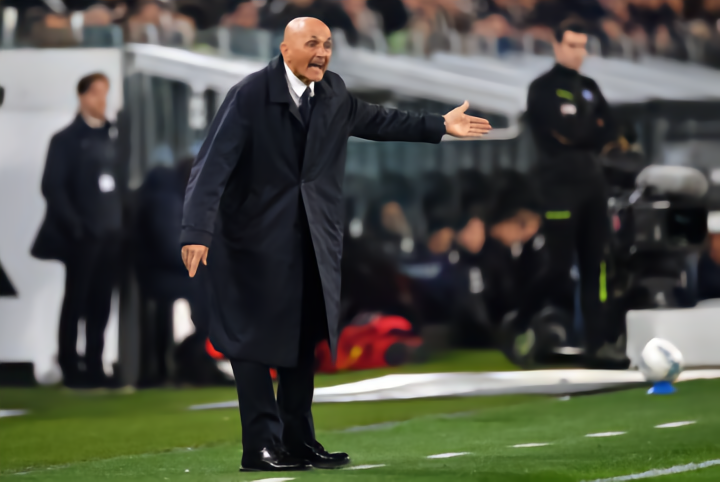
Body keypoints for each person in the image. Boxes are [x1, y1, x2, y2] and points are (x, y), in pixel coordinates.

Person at [180, 17, 490, 472]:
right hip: (253, 242)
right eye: (312, 44)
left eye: (327, 44)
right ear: (285, 49)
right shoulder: (249, 95)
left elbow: (380, 119)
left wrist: (439, 124)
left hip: (312, 239)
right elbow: (211, 166)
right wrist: (196, 231)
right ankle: (260, 446)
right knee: (252, 342)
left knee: (303, 337)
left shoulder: (333, 93)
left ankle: (298, 441)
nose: (322, 53)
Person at [522, 23, 626, 366]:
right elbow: (563, 131)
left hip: (593, 185)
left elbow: (610, 129)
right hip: (559, 187)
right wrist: (589, 131)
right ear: (556, 46)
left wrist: (584, 133)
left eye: (582, 46)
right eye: (571, 45)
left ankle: (597, 344)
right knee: (558, 267)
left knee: (596, 266)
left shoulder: (590, 87)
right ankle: (521, 319)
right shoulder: (541, 88)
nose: (578, 52)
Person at [31, 73, 123, 388]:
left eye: (105, 93)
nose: (102, 100)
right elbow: (52, 187)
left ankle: (96, 365)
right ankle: (70, 365)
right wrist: (77, 226)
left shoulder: (113, 137)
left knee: (102, 303)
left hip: (111, 235)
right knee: (77, 300)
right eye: (96, 93)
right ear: (82, 96)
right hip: (84, 237)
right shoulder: (66, 139)